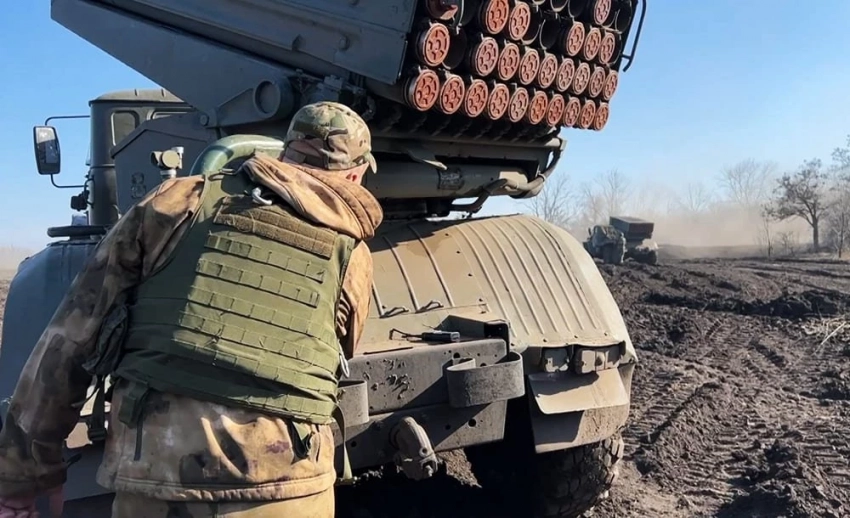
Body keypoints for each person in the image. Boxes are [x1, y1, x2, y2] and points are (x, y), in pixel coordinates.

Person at [0, 101, 384, 517]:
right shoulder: (353, 254)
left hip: (157, 475)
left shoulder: (178, 200)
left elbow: (70, 339)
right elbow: (333, 356)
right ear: (354, 175)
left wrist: (24, 476)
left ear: (288, 151)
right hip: (290, 484)